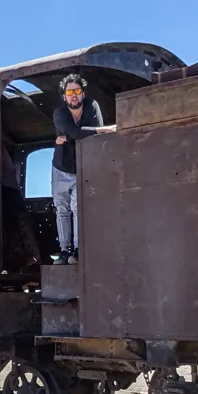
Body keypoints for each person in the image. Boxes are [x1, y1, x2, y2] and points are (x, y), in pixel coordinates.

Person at [51, 73, 114, 265]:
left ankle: (77, 250)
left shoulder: (92, 107)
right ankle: (64, 251)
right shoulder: (59, 113)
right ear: (64, 96)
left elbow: (91, 138)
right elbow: (77, 132)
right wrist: (108, 129)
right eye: (69, 92)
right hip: (61, 168)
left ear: (83, 93)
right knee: (62, 209)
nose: (73, 95)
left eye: (77, 91)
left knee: (78, 208)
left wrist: (68, 137)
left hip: (82, 168)